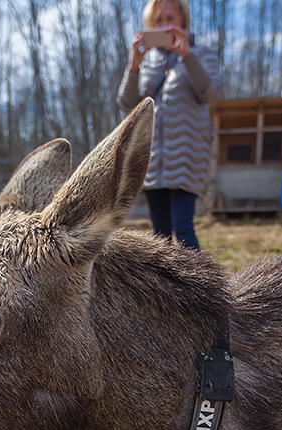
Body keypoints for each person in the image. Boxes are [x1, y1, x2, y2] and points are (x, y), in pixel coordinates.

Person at [118, 0, 222, 250]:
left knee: (183, 227)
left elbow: (210, 93)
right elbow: (126, 102)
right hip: (153, 160)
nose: (165, 25)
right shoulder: (148, 62)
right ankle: (164, 289)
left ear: (184, 20)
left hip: (186, 156)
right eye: (158, 21)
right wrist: (133, 66)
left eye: (170, 18)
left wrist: (186, 56)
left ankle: (201, 288)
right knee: (160, 235)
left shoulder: (202, 55)